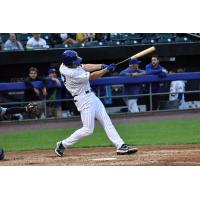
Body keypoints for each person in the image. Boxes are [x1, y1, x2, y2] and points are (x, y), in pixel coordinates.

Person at [55, 50, 138, 156]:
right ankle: (62, 144)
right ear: (70, 63)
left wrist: (101, 65)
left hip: (91, 96)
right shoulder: (71, 73)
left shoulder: (66, 65)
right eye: (75, 61)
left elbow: (84, 66)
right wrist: (106, 70)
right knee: (88, 129)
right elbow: (92, 76)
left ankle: (120, 145)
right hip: (83, 99)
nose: (77, 62)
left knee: (106, 120)